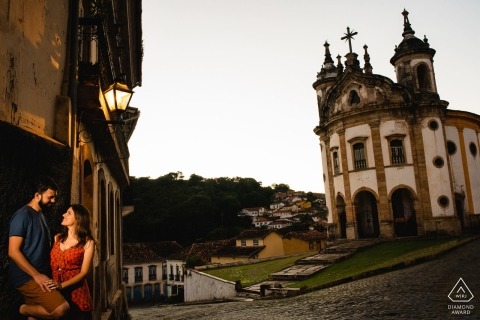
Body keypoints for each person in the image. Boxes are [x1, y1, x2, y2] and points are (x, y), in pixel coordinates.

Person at [8, 176, 70, 319]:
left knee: (36, 316)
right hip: (28, 277)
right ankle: (22, 309)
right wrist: (37, 276)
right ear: (37, 195)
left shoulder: (41, 215)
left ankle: (28, 312)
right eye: (50, 197)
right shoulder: (22, 215)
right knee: (61, 308)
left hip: (41, 274)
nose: (53, 201)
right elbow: (13, 251)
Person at [50, 204, 95, 319]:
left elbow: (84, 272)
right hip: (55, 290)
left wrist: (61, 285)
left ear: (78, 218)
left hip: (76, 291)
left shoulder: (88, 242)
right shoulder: (57, 238)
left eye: (69, 213)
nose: (63, 215)